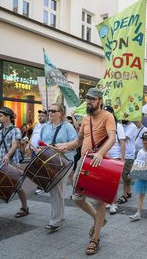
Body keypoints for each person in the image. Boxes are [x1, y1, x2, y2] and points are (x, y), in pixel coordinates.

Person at [56, 88, 116, 255]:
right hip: (83, 164)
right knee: (76, 199)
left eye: (92, 99)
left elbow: (112, 137)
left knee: (100, 202)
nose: (89, 101)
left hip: (99, 163)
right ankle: (99, 219)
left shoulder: (107, 116)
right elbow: (78, 141)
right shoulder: (86, 119)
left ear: (100, 101)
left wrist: (100, 153)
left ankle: (95, 238)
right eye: (87, 98)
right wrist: (65, 147)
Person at [39, 103, 77, 231]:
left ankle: (55, 220)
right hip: (49, 161)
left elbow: (75, 143)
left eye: (53, 111)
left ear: (60, 113)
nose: (50, 113)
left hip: (64, 162)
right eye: (49, 110)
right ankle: (59, 213)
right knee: (55, 190)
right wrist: (40, 149)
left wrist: (65, 146)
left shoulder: (68, 127)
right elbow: (42, 143)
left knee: (56, 189)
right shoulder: (45, 127)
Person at [129, 131, 147, 220]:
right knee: (141, 195)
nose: (145, 141)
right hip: (142, 176)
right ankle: (138, 212)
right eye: (143, 140)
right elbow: (137, 164)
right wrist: (132, 173)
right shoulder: (140, 152)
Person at [105, 105, 125, 215]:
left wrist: (122, 158)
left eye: (108, 113)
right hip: (105, 156)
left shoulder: (118, 126)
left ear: (113, 114)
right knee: (106, 182)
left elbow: (122, 143)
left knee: (113, 182)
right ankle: (109, 200)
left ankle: (114, 204)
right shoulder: (102, 125)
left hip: (115, 157)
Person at [26, 110, 48, 195]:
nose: (40, 117)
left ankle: (40, 187)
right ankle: (41, 186)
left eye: (42, 115)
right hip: (34, 150)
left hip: (40, 151)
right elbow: (33, 135)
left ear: (46, 117)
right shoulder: (37, 125)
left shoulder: (47, 126)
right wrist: (28, 145)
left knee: (39, 169)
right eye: (39, 115)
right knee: (34, 169)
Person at [117, 120, 138, 204]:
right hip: (123, 153)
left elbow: (123, 138)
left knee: (126, 176)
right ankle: (128, 192)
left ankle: (124, 195)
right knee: (124, 175)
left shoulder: (132, 126)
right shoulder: (123, 125)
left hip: (128, 154)